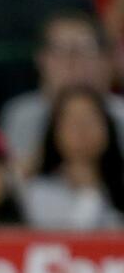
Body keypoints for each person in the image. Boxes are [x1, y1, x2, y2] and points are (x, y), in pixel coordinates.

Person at [0, 10, 124, 172]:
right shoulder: (21, 114)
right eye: (60, 50)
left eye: (85, 50)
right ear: (41, 59)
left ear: (103, 59)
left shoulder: (120, 114)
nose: (72, 61)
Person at [22, 86, 124, 227]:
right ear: (55, 132)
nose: (82, 130)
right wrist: (89, 192)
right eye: (72, 121)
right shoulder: (38, 190)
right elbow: (74, 239)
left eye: (90, 119)